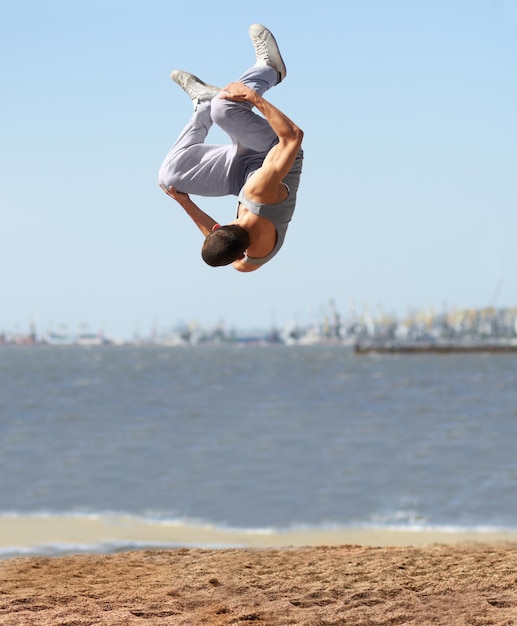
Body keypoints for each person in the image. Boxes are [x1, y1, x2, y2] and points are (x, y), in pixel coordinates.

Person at [158, 24, 304, 272]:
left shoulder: (249, 262)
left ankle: (203, 104)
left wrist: (186, 203)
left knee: (169, 178)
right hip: (273, 151)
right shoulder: (260, 194)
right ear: (218, 226)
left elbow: (219, 243)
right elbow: (293, 137)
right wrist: (252, 97)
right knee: (223, 108)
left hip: (240, 177)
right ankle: (270, 70)